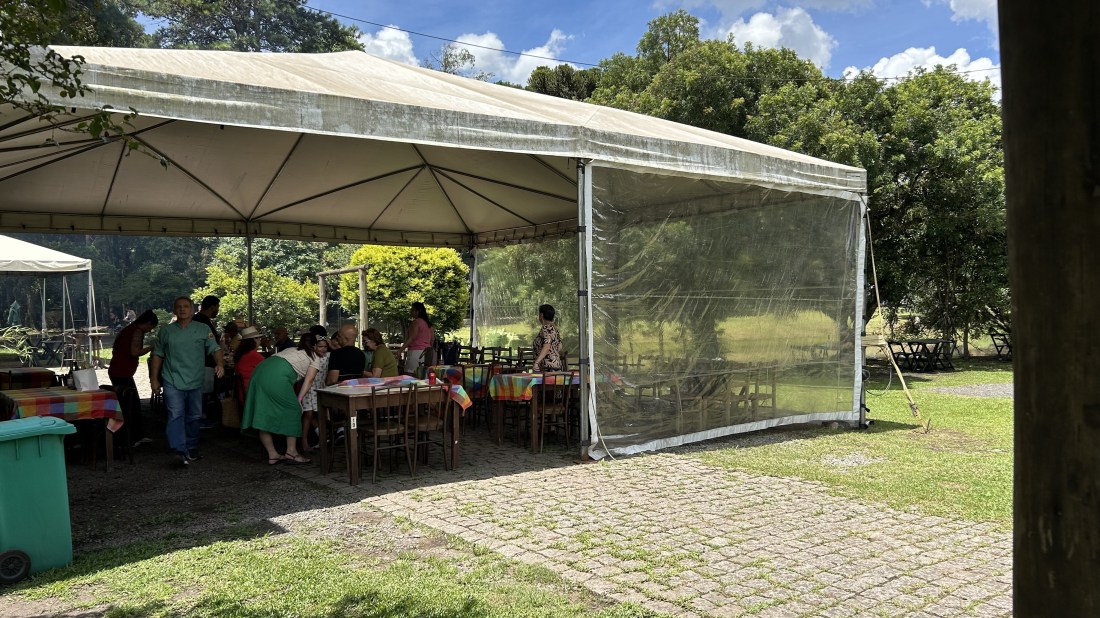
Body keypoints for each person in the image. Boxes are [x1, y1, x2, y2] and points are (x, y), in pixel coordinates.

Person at [150, 297, 225, 467]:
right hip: (172, 379)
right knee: (175, 414)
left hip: (195, 380)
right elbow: (157, 355)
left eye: (185, 306)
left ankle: (191, 447)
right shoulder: (166, 331)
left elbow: (215, 348)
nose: (182, 309)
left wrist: (220, 364)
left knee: (194, 416)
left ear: (192, 310)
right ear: (174, 311)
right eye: (179, 307)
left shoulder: (203, 329)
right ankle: (178, 450)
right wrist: (154, 379)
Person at [240, 333, 321, 465]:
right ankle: (291, 452)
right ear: (315, 346)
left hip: (260, 371)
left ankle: (273, 455)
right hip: (276, 375)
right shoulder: (314, 356)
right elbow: (309, 380)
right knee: (294, 410)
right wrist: (299, 399)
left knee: (263, 412)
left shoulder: (291, 349)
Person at [108, 309, 158, 447]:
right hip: (122, 372)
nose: (150, 330)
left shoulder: (128, 329)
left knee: (127, 404)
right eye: (151, 327)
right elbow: (134, 352)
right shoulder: (137, 331)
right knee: (131, 405)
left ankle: (131, 435)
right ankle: (132, 437)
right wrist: (152, 347)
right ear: (147, 323)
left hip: (117, 370)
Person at [298, 327, 330, 454]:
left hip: (321, 388)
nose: (323, 349)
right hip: (308, 388)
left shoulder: (328, 356)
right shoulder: (310, 356)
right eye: (320, 346)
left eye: (325, 347)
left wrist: (328, 341)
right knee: (308, 414)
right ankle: (304, 441)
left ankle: (322, 438)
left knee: (321, 415)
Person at [191, 295, 221, 429]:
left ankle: (200, 416)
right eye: (217, 307)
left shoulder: (198, 320)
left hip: (202, 362)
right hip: (203, 362)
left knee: (203, 391)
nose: (218, 310)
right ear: (212, 307)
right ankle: (200, 418)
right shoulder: (202, 321)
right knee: (202, 392)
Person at [398, 302, 434, 375]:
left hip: (415, 352)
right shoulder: (428, 324)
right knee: (424, 375)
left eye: (412, 310)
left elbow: (411, 338)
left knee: (411, 375)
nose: (410, 311)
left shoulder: (416, 322)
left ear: (418, 311)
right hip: (427, 353)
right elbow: (432, 339)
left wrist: (401, 350)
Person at [233, 326, 265, 404]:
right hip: (252, 394)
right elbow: (268, 368)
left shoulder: (241, 353)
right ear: (253, 340)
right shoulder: (253, 355)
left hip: (243, 393)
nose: (260, 340)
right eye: (258, 338)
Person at [532, 303, 563, 372]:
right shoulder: (555, 328)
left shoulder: (546, 328)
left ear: (541, 315)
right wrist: (553, 355)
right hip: (555, 365)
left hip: (547, 367)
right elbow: (560, 347)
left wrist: (537, 362)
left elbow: (547, 346)